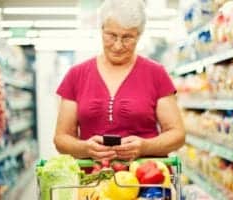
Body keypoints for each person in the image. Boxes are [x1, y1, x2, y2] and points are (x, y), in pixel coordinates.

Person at [54, 0, 185, 161]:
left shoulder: (156, 74)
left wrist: (145, 147)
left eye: (127, 38)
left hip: (147, 178)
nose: (117, 46)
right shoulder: (76, 75)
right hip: (93, 178)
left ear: (139, 35)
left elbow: (177, 135)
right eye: (111, 36)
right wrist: (85, 148)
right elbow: (61, 138)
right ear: (101, 30)